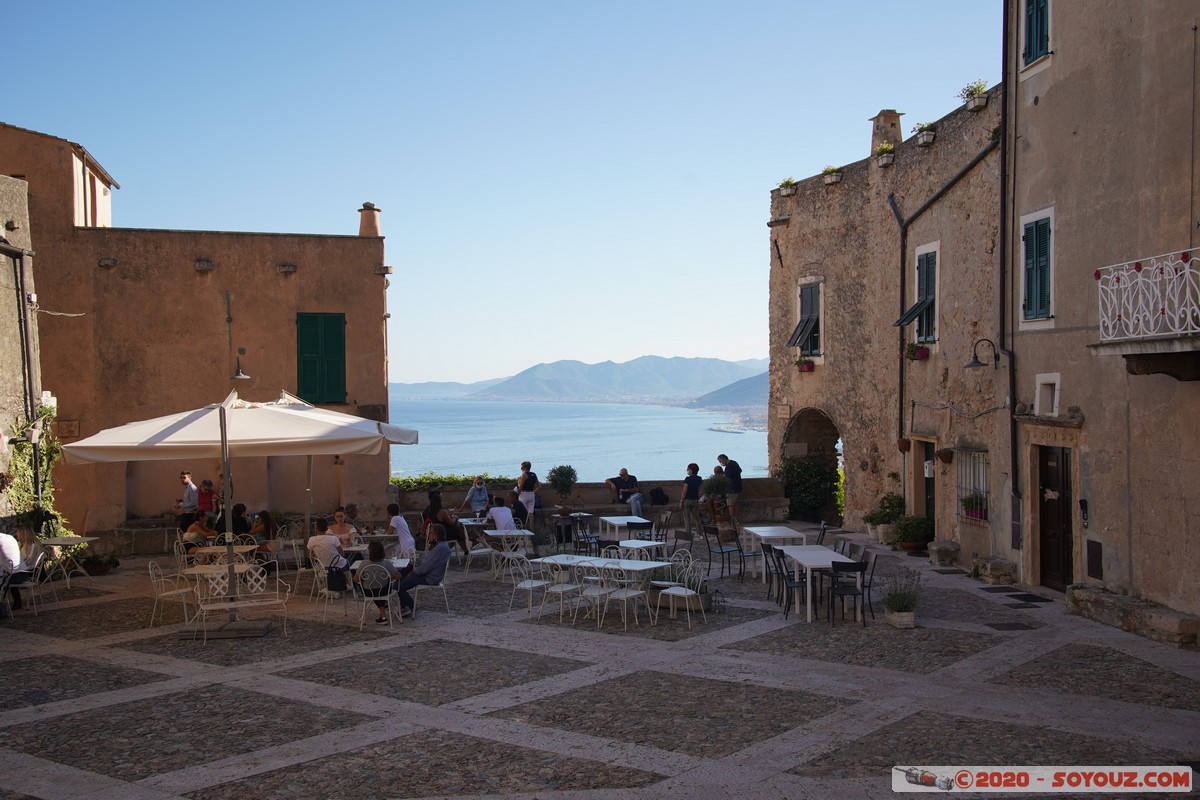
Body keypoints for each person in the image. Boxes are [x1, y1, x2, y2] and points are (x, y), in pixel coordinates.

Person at [395, 523, 451, 617]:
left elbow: (425, 568)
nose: (428, 535)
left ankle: (409, 606)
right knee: (400, 579)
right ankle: (406, 605)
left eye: (431, 533)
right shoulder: (440, 546)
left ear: (436, 535)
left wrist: (414, 572)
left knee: (398, 585)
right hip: (428, 575)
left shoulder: (440, 548)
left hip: (430, 577)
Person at [353, 540, 403, 624]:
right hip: (384, 591)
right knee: (380, 589)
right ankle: (383, 613)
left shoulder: (363, 564)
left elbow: (356, 579)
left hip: (368, 592)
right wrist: (387, 576)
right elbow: (399, 576)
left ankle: (383, 616)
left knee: (373, 589)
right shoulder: (386, 563)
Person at [422, 491, 470, 556]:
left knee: (458, 531)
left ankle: (465, 548)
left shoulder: (429, 510)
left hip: (436, 532)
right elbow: (451, 523)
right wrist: (454, 517)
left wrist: (448, 514)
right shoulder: (442, 512)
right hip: (444, 533)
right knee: (459, 532)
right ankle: (468, 544)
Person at [1, 526, 31, 612]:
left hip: (14, 576)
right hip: (23, 573)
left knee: (4, 579)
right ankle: (16, 601)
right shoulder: (10, 538)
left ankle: (3, 605)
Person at [678, 462, 703, 536]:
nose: (687, 470)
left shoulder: (687, 479)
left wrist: (681, 501)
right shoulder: (699, 479)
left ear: (691, 470)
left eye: (688, 469)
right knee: (696, 518)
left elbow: (684, 491)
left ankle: (688, 534)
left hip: (687, 500)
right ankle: (700, 533)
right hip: (695, 500)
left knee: (687, 518)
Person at [718, 454, 743, 521]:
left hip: (732, 488)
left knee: (731, 505)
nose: (721, 463)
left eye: (720, 461)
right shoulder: (734, 463)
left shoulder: (729, 466)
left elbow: (727, 478)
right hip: (737, 486)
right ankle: (736, 519)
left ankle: (733, 519)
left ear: (724, 459)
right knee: (734, 504)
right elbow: (740, 470)